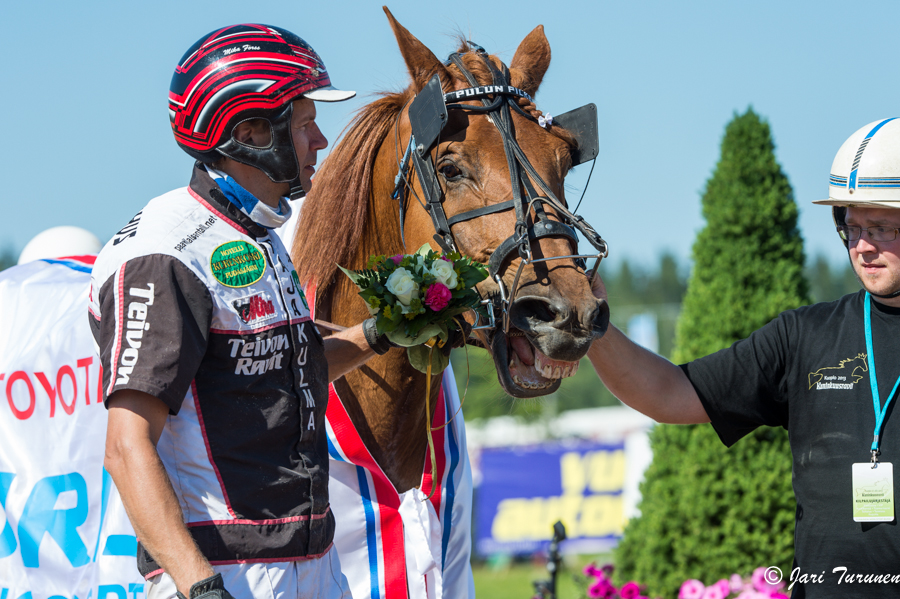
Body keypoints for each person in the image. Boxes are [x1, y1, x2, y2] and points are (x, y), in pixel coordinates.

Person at [89, 24, 394, 599]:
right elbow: (126, 445)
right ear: (251, 132)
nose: (321, 141)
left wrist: (385, 332)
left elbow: (282, 373)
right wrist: (200, 587)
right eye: (305, 125)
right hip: (225, 570)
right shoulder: (168, 252)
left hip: (313, 558)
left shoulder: (255, 230)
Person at [588, 118, 900, 598]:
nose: (861, 247)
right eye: (850, 227)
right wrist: (592, 324)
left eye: (880, 227)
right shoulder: (803, 335)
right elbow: (670, 394)